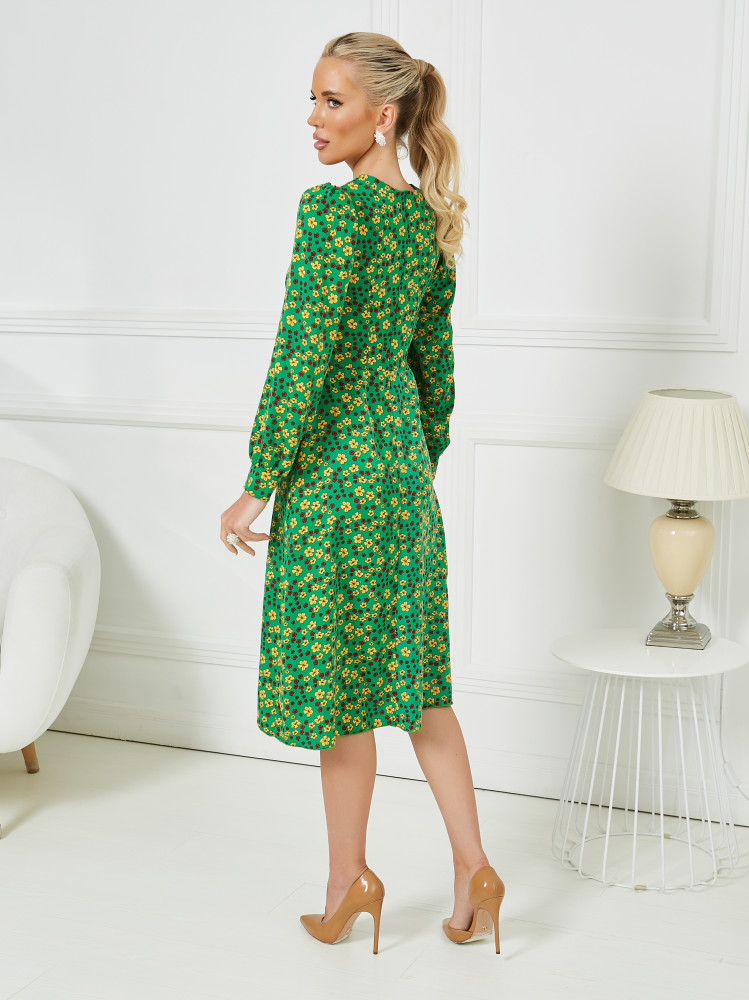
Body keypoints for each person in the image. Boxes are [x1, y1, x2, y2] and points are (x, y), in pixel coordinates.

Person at [220, 31, 505, 954]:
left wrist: (259, 482)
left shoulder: (332, 213)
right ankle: (475, 871)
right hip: (401, 481)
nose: (313, 119)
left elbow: (299, 359)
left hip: (334, 480)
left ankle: (350, 881)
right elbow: (436, 375)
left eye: (330, 101)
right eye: (311, 100)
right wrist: (410, 466)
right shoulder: (427, 221)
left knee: (340, 692)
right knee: (419, 685)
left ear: (383, 114)